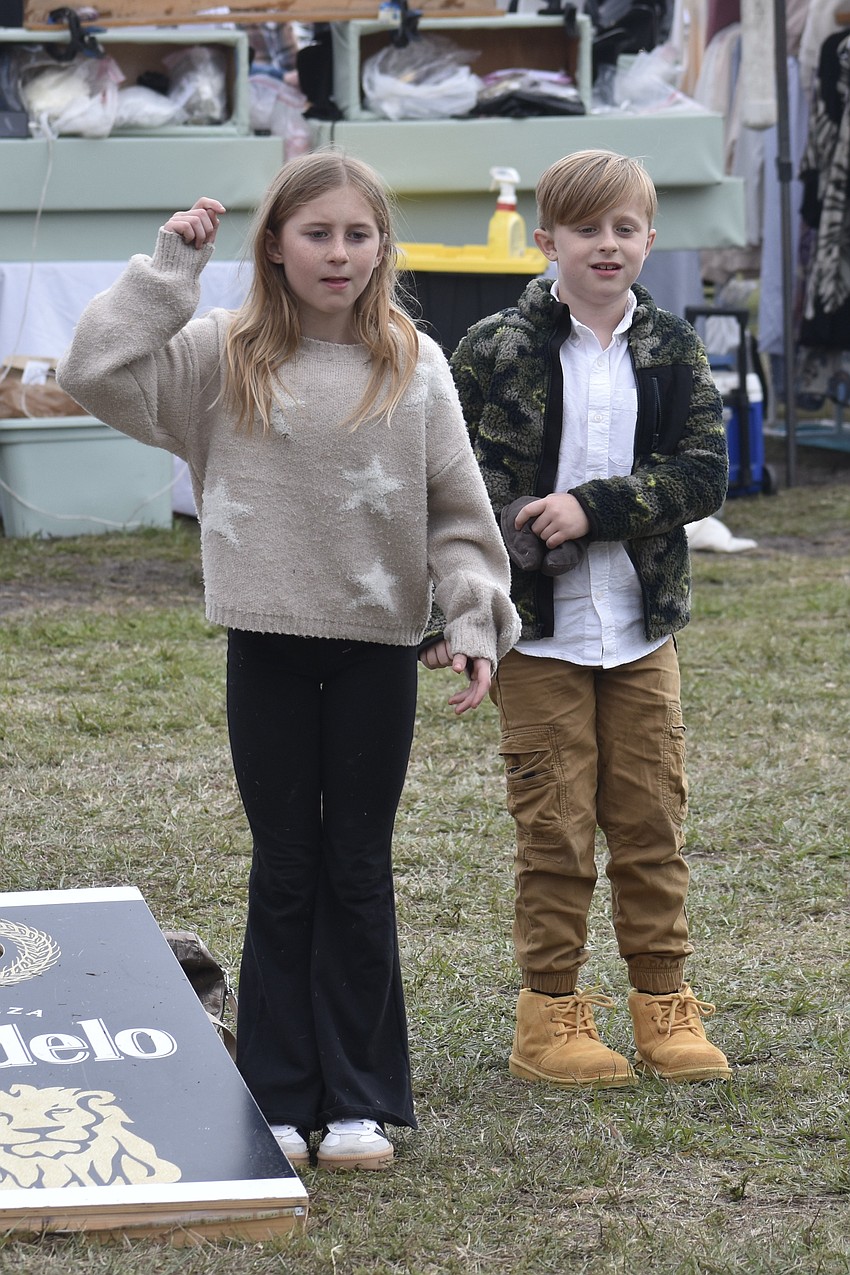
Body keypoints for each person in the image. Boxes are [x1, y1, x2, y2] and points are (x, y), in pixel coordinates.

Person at [57, 151, 520, 1167]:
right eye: (318, 234)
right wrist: (167, 272)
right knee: (285, 867)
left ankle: (357, 1102)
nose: (340, 254)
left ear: (382, 248)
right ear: (275, 244)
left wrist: (475, 618)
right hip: (266, 645)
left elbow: (455, 509)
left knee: (356, 867)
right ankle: (274, 1094)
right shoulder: (215, 356)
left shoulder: (414, 361)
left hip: (378, 654)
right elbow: (89, 371)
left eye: (359, 235)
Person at [434, 148, 732, 1087]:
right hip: (539, 637)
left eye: (625, 228)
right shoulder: (492, 348)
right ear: (546, 238)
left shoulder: (674, 347)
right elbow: (449, 485)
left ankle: (663, 1004)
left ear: (649, 238)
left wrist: (593, 507)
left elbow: (705, 472)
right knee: (555, 827)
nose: (607, 245)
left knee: (650, 819)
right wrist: (459, 610)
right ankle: (551, 1018)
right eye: (587, 229)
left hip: (642, 633)